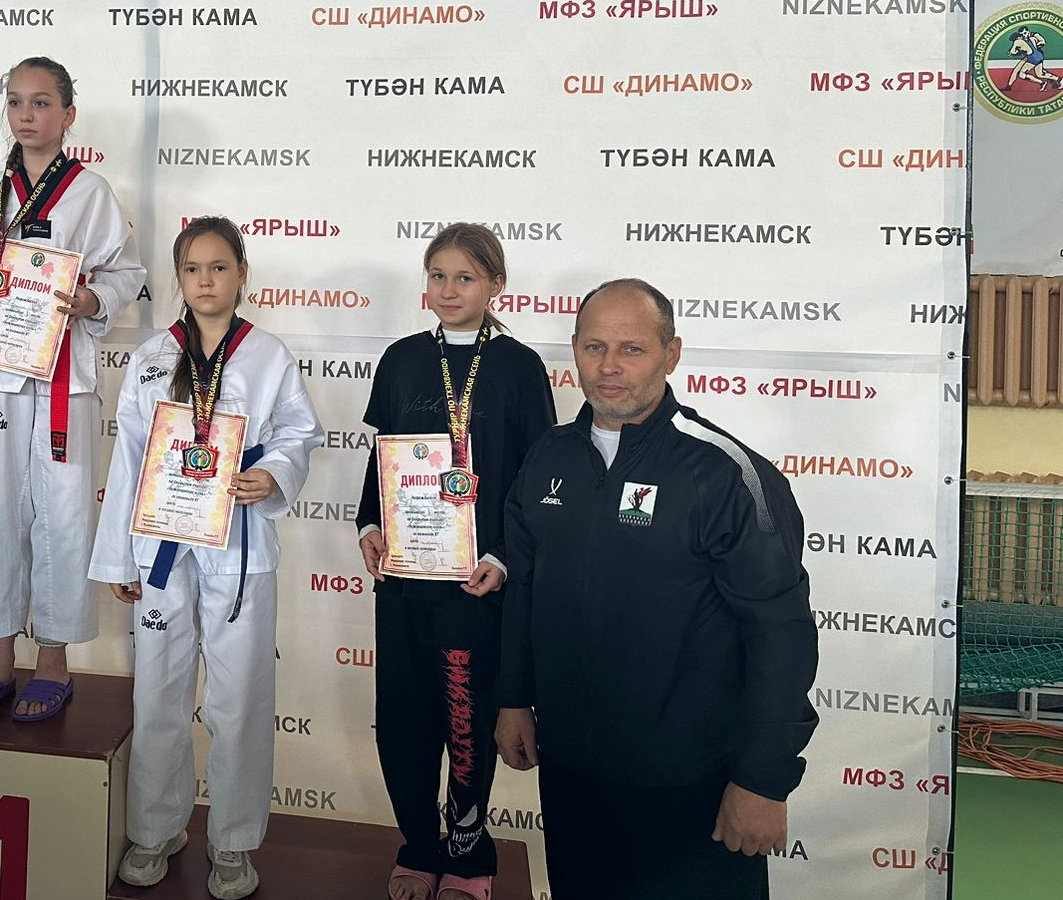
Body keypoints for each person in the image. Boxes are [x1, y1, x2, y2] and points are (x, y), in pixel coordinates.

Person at [494, 278, 820, 900]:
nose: (609, 367)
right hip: (573, 773)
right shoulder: (547, 458)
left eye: (632, 349)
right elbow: (525, 590)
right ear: (574, 350)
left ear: (671, 355)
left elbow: (779, 631)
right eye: (594, 347)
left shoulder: (724, 472)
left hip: (691, 781)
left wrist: (763, 779)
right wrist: (513, 697)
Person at [89, 217, 323, 899]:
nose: (205, 280)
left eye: (219, 267)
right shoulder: (152, 357)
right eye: (192, 269)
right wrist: (121, 559)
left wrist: (273, 474)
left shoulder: (268, 355)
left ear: (242, 273)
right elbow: (130, 460)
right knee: (158, 690)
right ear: (179, 278)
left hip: (238, 545)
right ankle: (156, 828)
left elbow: (299, 432)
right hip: (162, 545)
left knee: (239, 696)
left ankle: (233, 841)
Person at [0, 56, 147, 722]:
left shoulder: (90, 193)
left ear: (67, 115)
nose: (26, 115)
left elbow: (126, 271)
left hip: (63, 380)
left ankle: (53, 659)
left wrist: (92, 298)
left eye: (41, 102)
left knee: (62, 514)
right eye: (15, 102)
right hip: (0, 373)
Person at [355, 224, 556, 900]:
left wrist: (504, 554)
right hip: (406, 577)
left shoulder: (520, 367)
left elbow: (535, 476)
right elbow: (382, 456)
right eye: (437, 276)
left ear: (496, 285)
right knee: (404, 722)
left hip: (476, 584)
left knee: (465, 725)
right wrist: (370, 523)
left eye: (464, 278)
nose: (448, 290)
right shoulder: (403, 358)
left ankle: (469, 857)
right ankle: (418, 843)